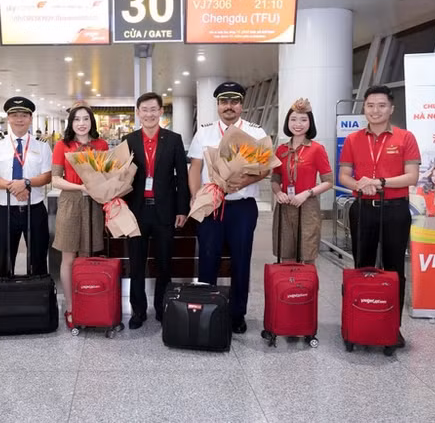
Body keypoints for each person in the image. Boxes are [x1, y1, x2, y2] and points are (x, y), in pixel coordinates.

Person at [339, 85, 420, 348]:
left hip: (395, 209)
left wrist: (380, 181)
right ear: (364, 108)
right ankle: (359, 319)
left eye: (381, 105)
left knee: (394, 266)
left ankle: (392, 326)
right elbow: (344, 176)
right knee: (362, 265)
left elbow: (412, 176)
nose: (376, 110)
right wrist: (360, 185)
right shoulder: (353, 139)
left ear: (391, 108)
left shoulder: (405, 137)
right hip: (363, 207)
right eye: (370, 105)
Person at [188, 82, 270, 334]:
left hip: (242, 207)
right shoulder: (205, 132)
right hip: (211, 206)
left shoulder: (256, 133)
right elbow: (195, 168)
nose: (229, 107)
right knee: (208, 260)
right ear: (218, 106)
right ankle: (207, 310)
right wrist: (195, 198)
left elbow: (265, 168)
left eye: (234, 102)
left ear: (241, 105)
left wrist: (244, 181)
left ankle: (237, 314)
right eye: (224, 102)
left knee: (241, 261)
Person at [122, 92, 189, 329]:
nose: (149, 114)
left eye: (154, 109)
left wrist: (182, 208)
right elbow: (120, 178)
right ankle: (138, 311)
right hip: (136, 211)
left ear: (161, 112)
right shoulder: (128, 140)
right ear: (138, 113)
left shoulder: (173, 139)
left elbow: (182, 176)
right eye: (145, 109)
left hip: (165, 211)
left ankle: (162, 308)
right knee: (136, 263)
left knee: (164, 263)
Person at [51, 102, 108, 329]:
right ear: (71, 122)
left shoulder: (101, 144)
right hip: (70, 203)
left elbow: (106, 173)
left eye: (86, 119)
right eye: (77, 119)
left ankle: (87, 303)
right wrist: (82, 187)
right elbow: (55, 179)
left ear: (91, 122)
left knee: (86, 256)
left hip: (94, 204)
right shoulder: (62, 145)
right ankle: (71, 307)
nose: (81, 123)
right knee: (69, 257)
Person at [0, 97, 52, 277]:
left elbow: (47, 176)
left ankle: (39, 301)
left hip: (35, 210)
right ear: (8, 118)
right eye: (14, 115)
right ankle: (4, 300)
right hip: (6, 211)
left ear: (30, 119)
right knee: (5, 259)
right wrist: (15, 187)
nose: (19, 119)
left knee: (38, 258)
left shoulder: (42, 146)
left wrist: (26, 183)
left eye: (24, 115)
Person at [271, 98, 333, 263]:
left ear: (310, 123)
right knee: (286, 255)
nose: (298, 124)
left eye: (303, 119)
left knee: (307, 256)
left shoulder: (317, 149)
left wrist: (306, 194)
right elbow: (275, 178)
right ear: (287, 122)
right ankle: (288, 288)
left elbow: (329, 181)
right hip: (284, 207)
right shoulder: (281, 150)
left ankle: (306, 289)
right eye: (293, 119)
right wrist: (278, 192)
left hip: (308, 207)